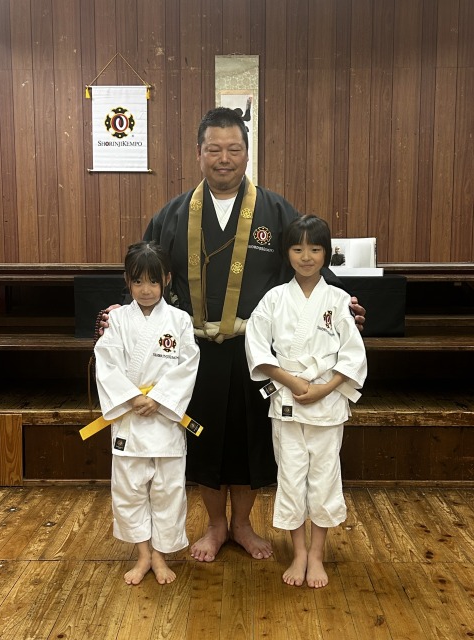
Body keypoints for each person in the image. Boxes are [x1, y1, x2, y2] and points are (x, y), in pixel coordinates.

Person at [102, 107, 365, 563]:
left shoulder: (275, 210)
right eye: (214, 149)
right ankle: (215, 525)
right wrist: (119, 309)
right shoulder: (172, 214)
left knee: (247, 441)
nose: (224, 158)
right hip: (192, 350)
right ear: (198, 153)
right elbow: (145, 272)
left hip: (255, 350)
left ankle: (242, 523)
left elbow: (309, 265)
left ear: (247, 153)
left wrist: (344, 302)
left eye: (234, 149)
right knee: (206, 440)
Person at [245, 215, 367, 587]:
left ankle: (317, 554)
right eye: (297, 249)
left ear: (326, 253)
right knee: (290, 476)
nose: (306, 257)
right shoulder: (274, 298)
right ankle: (298, 552)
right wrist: (292, 381)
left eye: (315, 249)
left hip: (326, 401)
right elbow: (256, 347)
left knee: (325, 477)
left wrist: (324, 389)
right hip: (287, 398)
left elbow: (353, 355)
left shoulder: (339, 300)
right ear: (287, 253)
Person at [94, 241, 200, 585]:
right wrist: (131, 398)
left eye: (153, 281)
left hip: (165, 417)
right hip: (130, 418)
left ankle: (160, 556)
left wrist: (159, 398)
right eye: (138, 281)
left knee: (168, 491)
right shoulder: (117, 320)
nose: (145, 289)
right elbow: (106, 363)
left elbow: (188, 365)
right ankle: (142, 554)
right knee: (129, 491)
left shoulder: (180, 320)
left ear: (166, 279)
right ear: (127, 281)